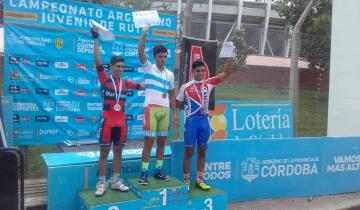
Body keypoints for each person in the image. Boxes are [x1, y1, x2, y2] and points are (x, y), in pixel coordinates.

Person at [91, 27, 144, 196]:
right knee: (104, 154)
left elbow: (143, 85)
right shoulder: (105, 79)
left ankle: (115, 181)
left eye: (122, 67)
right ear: (111, 66)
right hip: (107, 122)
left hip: (121, 123)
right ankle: (101, 183)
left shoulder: (127, 83)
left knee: (118, 153)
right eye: (118, 66)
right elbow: (97, 60)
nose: (121, 69)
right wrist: (95, 38)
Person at [176, 57, 234, 191]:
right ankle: (186, 181)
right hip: (191, 122)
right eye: (198, 71)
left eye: (202, 71)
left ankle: (199, 180)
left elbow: (225, 73)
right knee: (189, 152)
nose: (201, 73)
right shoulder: (185, 87)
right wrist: (175, 114)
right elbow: (177, 102)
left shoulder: (208, 83)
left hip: (204, 122)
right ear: (193, 72)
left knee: (202, 151)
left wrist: (231, 57)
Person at [137, 25, 178, 185]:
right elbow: (140, 52)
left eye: (165, 56)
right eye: (160, 56)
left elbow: (172, 94)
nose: (163, 59)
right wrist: (144, 32)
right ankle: (144, 172)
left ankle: (158, 170)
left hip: (165, 111)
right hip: (151, 109)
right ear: (155, 57)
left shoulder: (170, 74)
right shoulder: (149, 68)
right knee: (148, 141)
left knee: (162, 142)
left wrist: (174, 112)